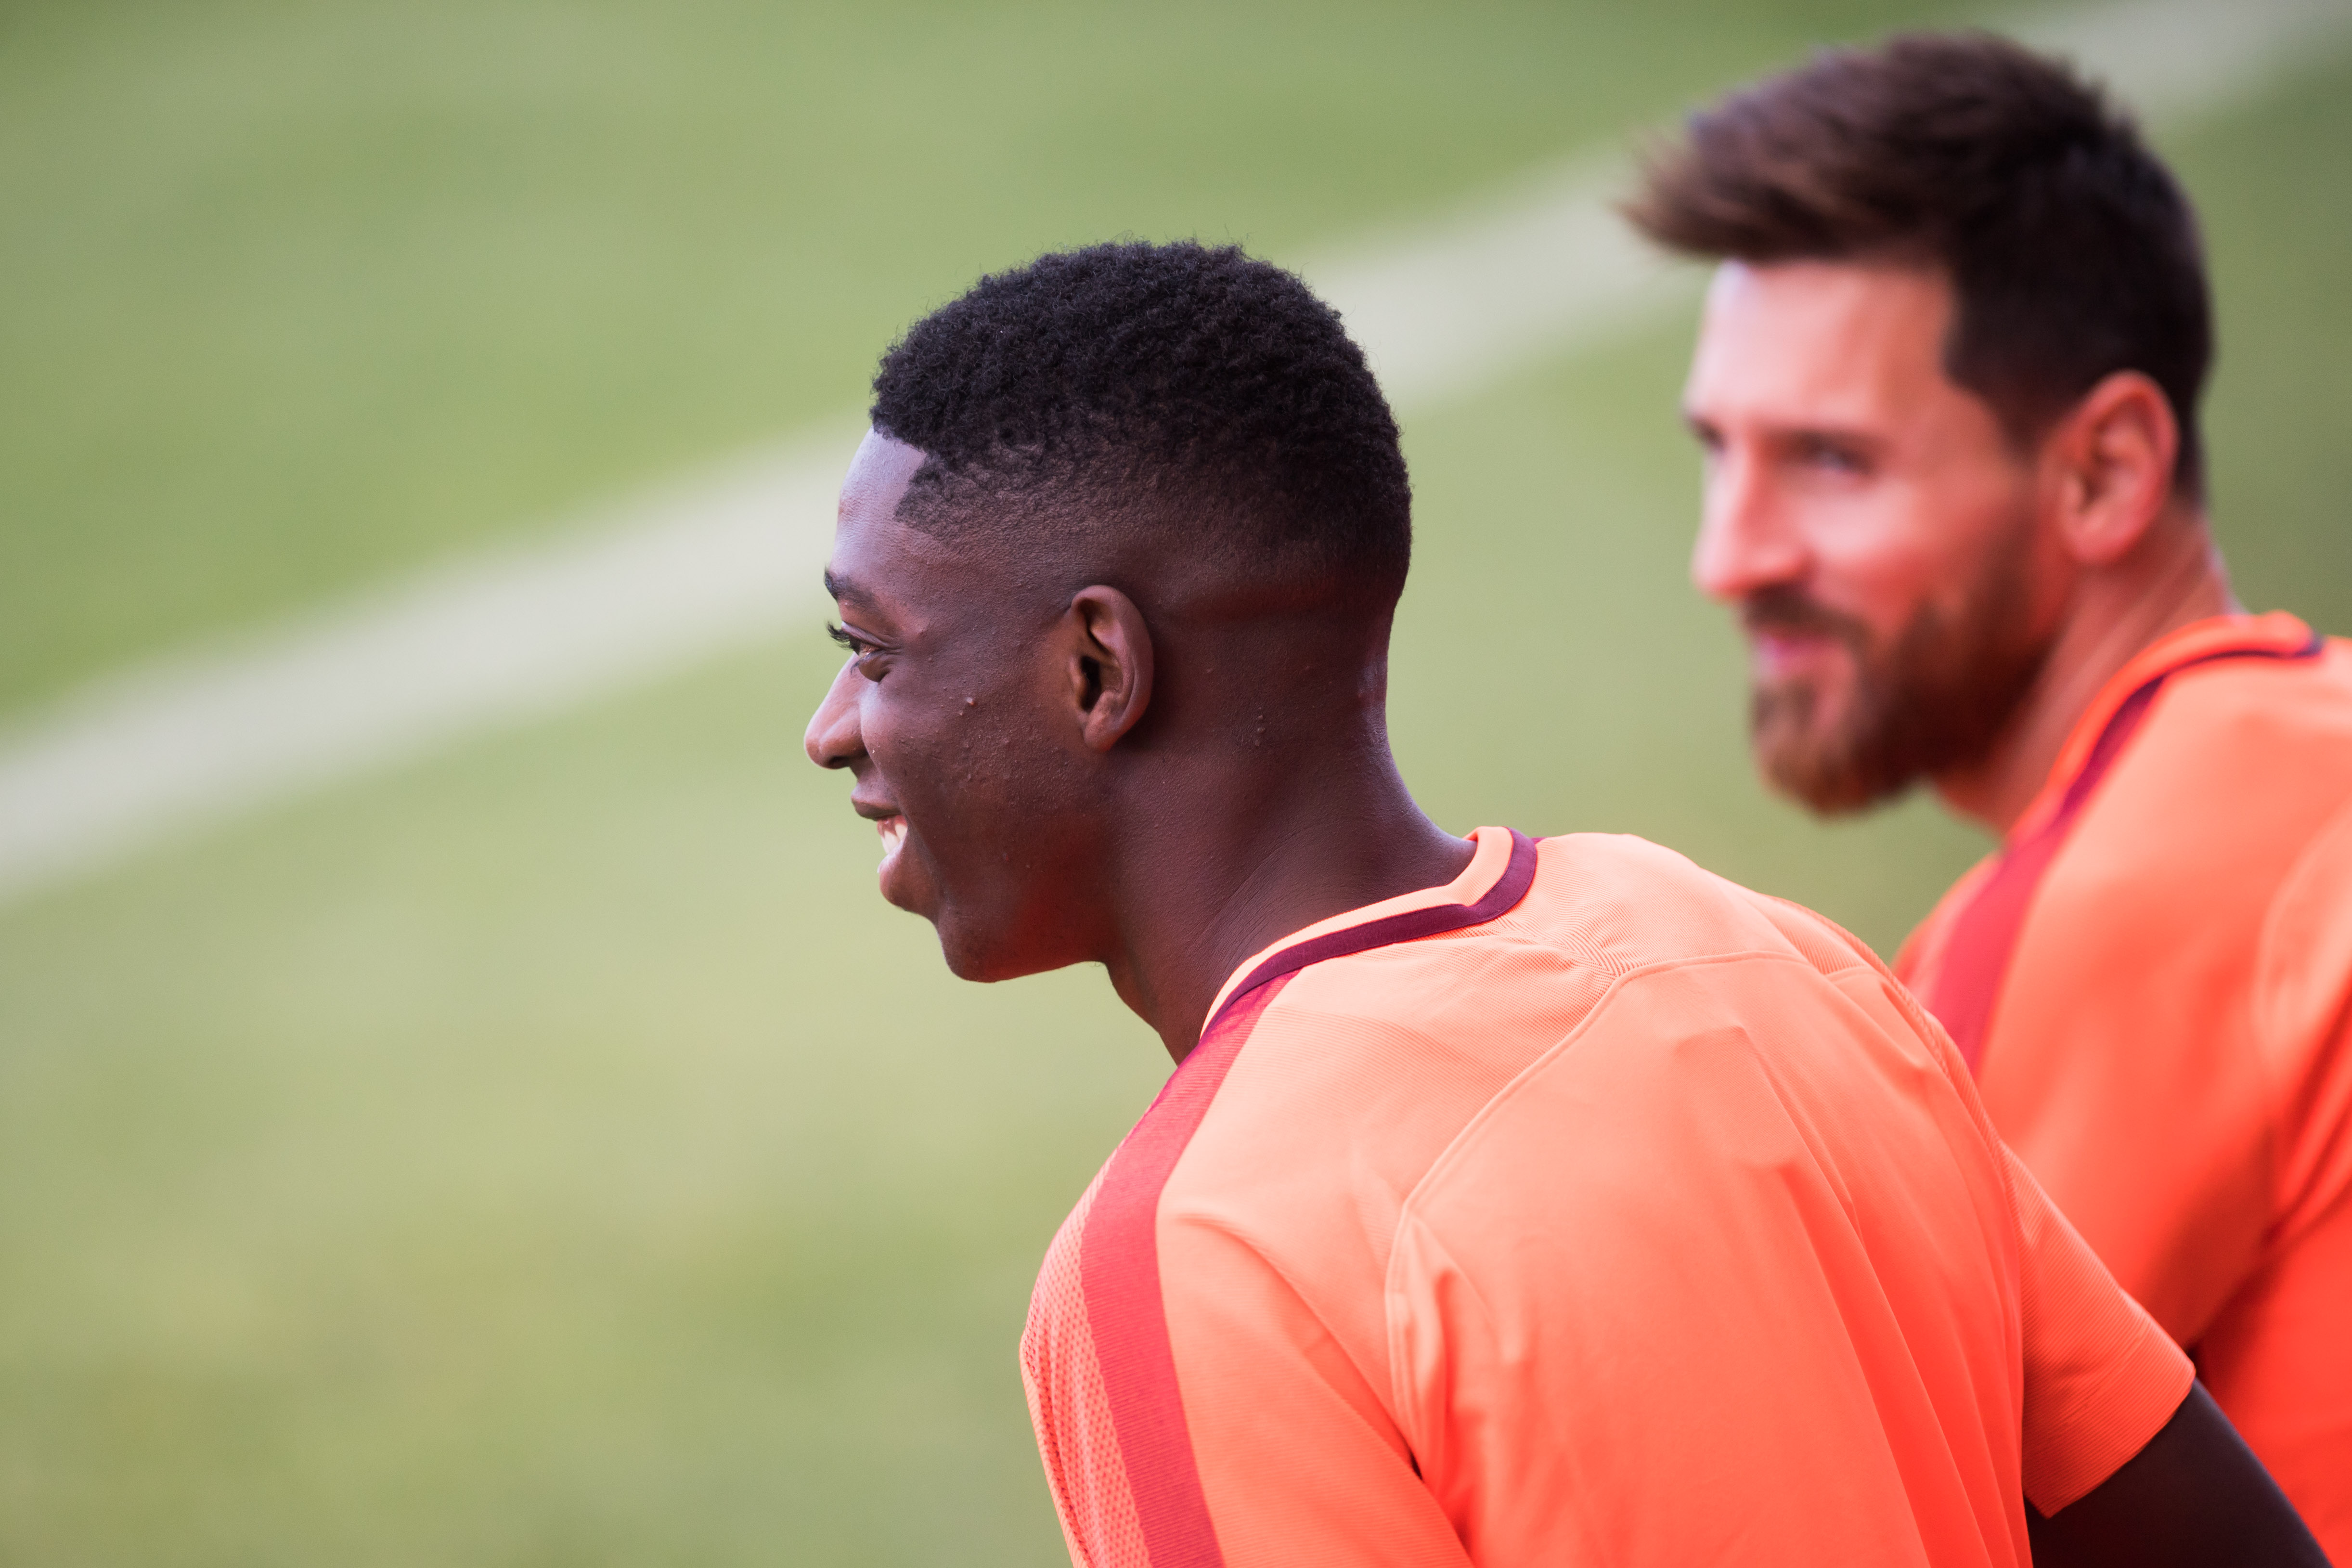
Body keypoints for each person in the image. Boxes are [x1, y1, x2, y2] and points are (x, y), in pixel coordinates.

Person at [802, 240, 2321, 1567]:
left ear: (1096, 671)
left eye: (875, 652)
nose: (835, 726)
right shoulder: (1770, 956)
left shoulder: (1192, 1253)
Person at [1631, 30, 2352, 1558]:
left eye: (1830, 461)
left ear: (2102, 474)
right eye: (1719, 452)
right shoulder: (2305, 761)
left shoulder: (2138, 885)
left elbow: (1856, 1513)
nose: (1731, 556)